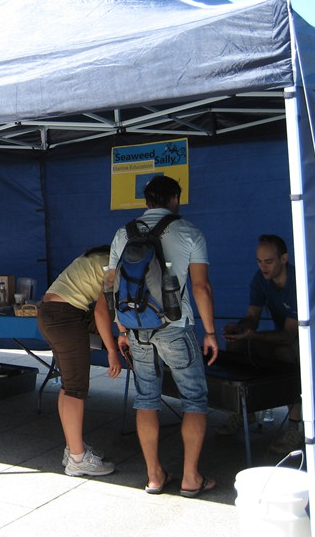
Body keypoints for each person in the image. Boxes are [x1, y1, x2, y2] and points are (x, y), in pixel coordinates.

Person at [108, 175, 218, 497]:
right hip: (175, 327)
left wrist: (122, 329)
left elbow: (110, 285)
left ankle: (154, 476)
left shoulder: (123, 233)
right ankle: (191, 478)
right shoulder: (190, 232)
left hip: (137, 328)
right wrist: (210, 333)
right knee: (194, 400)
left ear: (146, 202)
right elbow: (201, 287)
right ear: (175, 199)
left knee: (146, 399)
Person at [37, 245, 122, 477]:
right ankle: (78, 459)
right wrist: (112, 351)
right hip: (65, 317)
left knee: (69, 386)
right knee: (76, 389)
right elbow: (102, 312)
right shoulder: (114, 266)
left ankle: (72, 449)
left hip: (50, 313)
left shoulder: (98, 257)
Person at [220, 234, 302, 453]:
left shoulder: (297, 282)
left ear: (284, 258)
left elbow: (289, 336)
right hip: (285, 336)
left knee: (286, 356)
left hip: (311, 341)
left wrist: (252, 336)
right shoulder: (261, 279)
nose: (263, 266)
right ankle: (244, 412)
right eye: (259, 261)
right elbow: (252, 317)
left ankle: (295, 427)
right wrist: (239, 328)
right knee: (236, 346)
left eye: (268, 261)